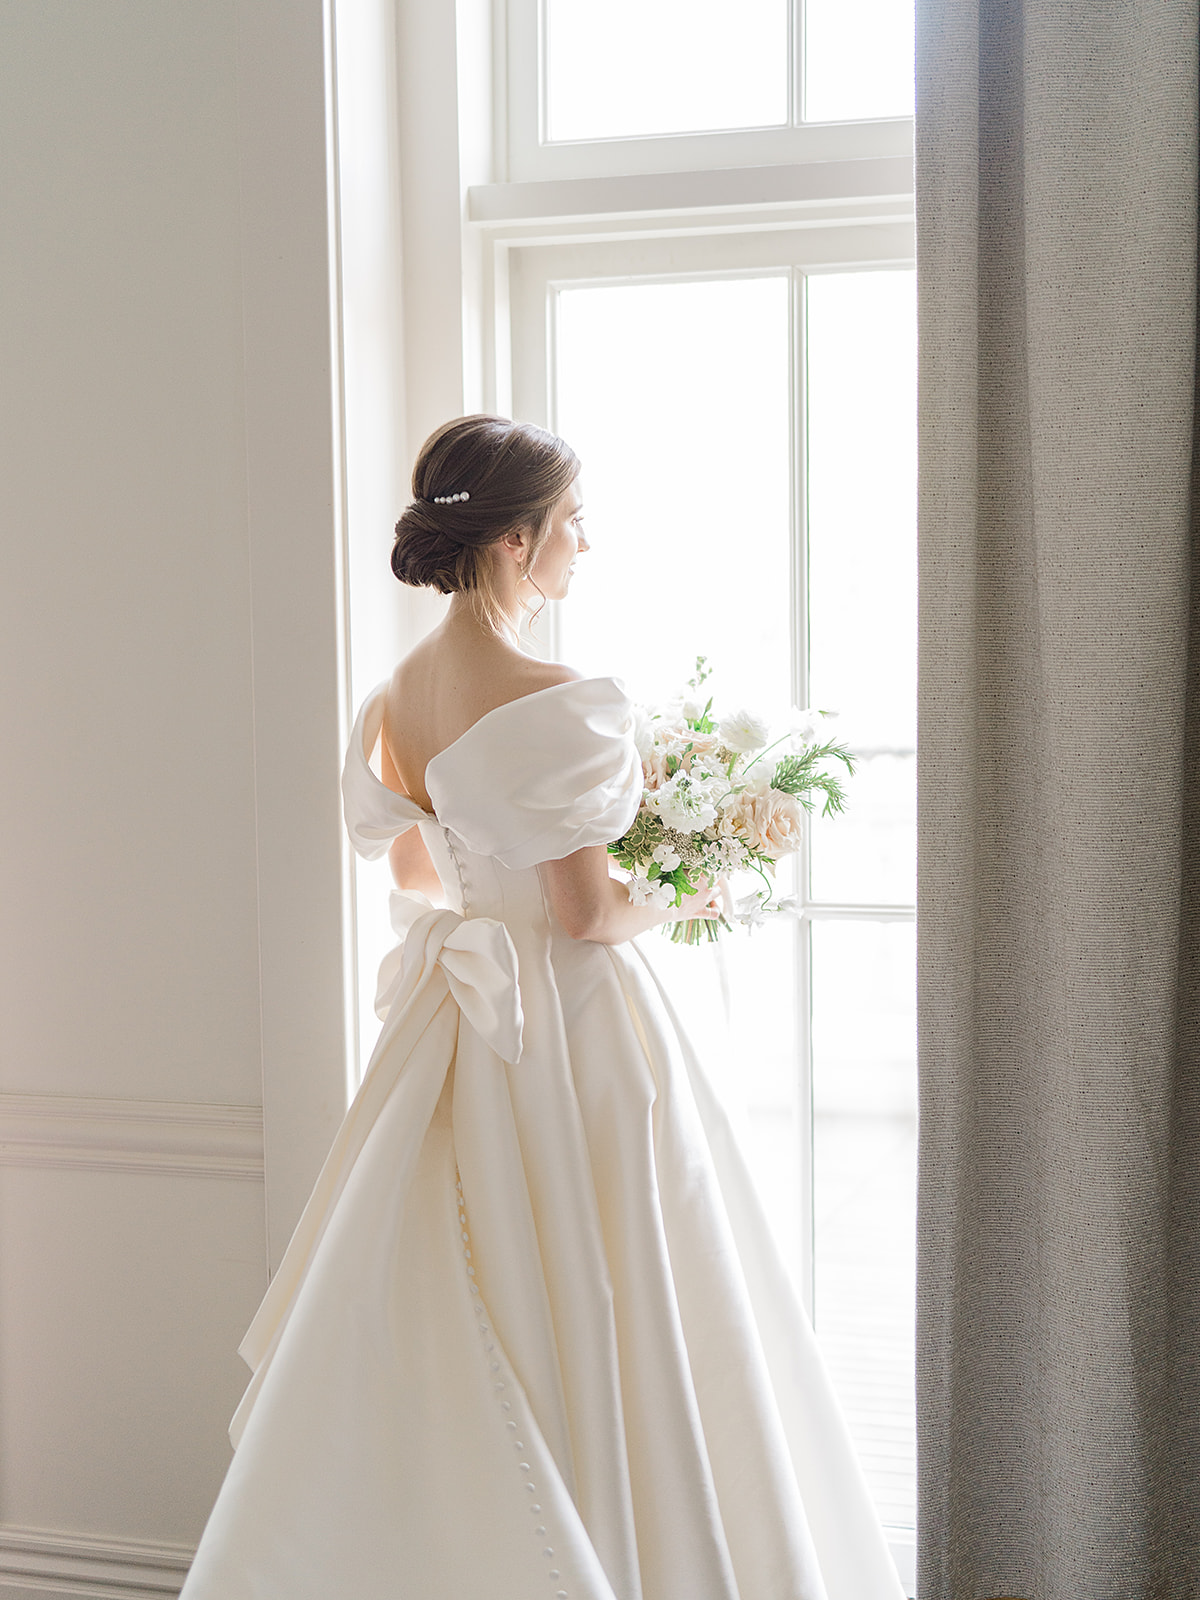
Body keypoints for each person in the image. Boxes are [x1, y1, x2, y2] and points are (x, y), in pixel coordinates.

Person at [180, 415, 906, 1600]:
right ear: (516, 541)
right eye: (571, 522)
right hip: (570, 1025)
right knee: (618, 1279)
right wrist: (691, 885)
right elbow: (584, 915)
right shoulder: (555, 692)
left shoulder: (396, 697)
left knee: (463, 1279)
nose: (585, 542)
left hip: (462, 1030)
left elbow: (425, 874)